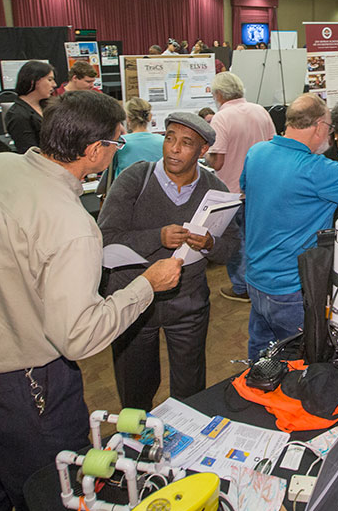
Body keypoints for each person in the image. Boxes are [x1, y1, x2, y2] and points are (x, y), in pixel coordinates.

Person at [0, 90, 183, 511]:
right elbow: (78, 337)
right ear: (95, 152)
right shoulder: (72, 225)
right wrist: (146, 285)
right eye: (116, 142)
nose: (117, 149)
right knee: (57, 494)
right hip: (19, 383)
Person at [240, 92, 338, 359]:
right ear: (318, 127)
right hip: (291, 289)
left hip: (256, 281)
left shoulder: (257, 152)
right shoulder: (316, 169)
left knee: (260, 361)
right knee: (303, 362)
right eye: (328, 128)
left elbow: (249, 192)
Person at [98, 112, 237, 411]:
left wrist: (211, 243)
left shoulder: (215, 190)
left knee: (190, 390)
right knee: (135, 389)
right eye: (169, 138)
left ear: (202, 151)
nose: (173, 148)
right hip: (134, 298)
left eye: (186, 143)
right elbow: (106, 237)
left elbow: (231, 250)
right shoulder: (136, 178)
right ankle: (136, 445)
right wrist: (157, 237)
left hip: (187, 302)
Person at [206, 72, 275, 303]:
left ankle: (242, 288)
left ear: (218, 94)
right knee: (258, 239)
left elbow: (217, 161)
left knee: (236, 242)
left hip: (231, 191)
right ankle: (260, 283)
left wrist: (204, 156)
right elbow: (273, 146)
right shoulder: (260, 111)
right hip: (262, 188)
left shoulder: (221, 118)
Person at [6, 60, 56, 154]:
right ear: (33, 81)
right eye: (49, 80)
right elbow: (29, 152)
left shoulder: (47, 105)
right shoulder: (18, 115)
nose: (54, 84)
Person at [115, 97, 163, 176]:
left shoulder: (120, 143)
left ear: (128, 119)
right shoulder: (163, 141)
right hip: (155, 187)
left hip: (125, 186)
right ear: (150, 117)